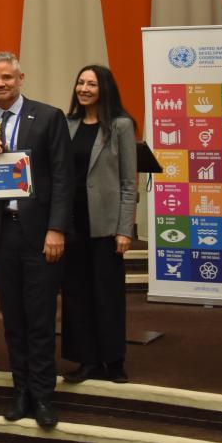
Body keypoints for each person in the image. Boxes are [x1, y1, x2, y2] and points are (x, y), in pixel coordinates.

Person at [0, 52, 71, 428]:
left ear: (20, 77)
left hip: (41, 234)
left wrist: (57, 228)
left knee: (40, 318)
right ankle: (21, 392)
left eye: (6, 78)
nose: (0, 84)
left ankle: (44, 397)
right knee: (12, 319)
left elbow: (63, 177)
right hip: (1, 234)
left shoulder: (48, 117)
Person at [62, 65, 137, 385]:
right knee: (77, 295)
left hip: (106, 226)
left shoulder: (120, 126)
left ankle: (114, 360)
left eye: (92, 84)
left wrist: (124, 229)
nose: (84, 88)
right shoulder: (68, 124)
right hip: (73, 224)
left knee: (107, 295)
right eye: (80, 82)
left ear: (104, 88)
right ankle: (87, 360)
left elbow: (128, 182)